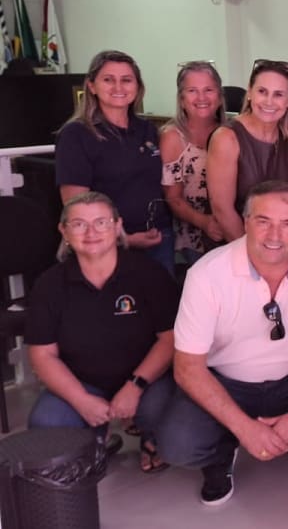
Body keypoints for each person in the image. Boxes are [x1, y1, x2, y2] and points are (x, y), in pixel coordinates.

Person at [158, 181, 288, 505]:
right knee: (177, 444)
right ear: (245, 222)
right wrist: (245, 429)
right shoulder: (207, 274)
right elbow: (187, 368)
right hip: (226, 382)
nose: (274, 235)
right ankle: (223, 449)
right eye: (263, 221)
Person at [26, 192, 178, 474]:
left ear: (117, 226)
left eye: (101, 222)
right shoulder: (49, 285)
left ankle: (152, 438)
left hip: (145, 381)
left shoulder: (149, 274)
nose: (91, 232)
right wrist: (80, 400)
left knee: (165, 410)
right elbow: (43, 354)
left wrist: (134, 387)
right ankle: (97, 438)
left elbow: (169, 339)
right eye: (79, 224)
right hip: (83, 382)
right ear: (64, 230)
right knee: (47, 423)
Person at [56, 50, 174, 274]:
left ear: (138, 87)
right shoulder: (76, 134)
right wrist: (125, 239)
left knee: (162, 306)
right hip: (106, 246)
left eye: (126, 80)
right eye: (108, 80)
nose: (118, 87)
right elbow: (75, 205)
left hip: (159, 239)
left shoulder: (148, 129)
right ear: (91, 86)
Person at [207, 58, 288, 241]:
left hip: (280, 244)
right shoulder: (226, 138)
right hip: (236, 244)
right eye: (262, 91)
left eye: (279, 94)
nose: (269, 101)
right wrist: (254, 257)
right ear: (250, 93)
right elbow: (222, 210)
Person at [161, 61, 227, 268]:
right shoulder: (172, 137)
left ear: (219, 97)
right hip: (193, 238)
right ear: (181, 99)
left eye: (208, 90)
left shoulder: (231, 133)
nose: (201, 98)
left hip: (231, 229)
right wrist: (205, 223)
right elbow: (173, 198)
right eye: (192, 91)